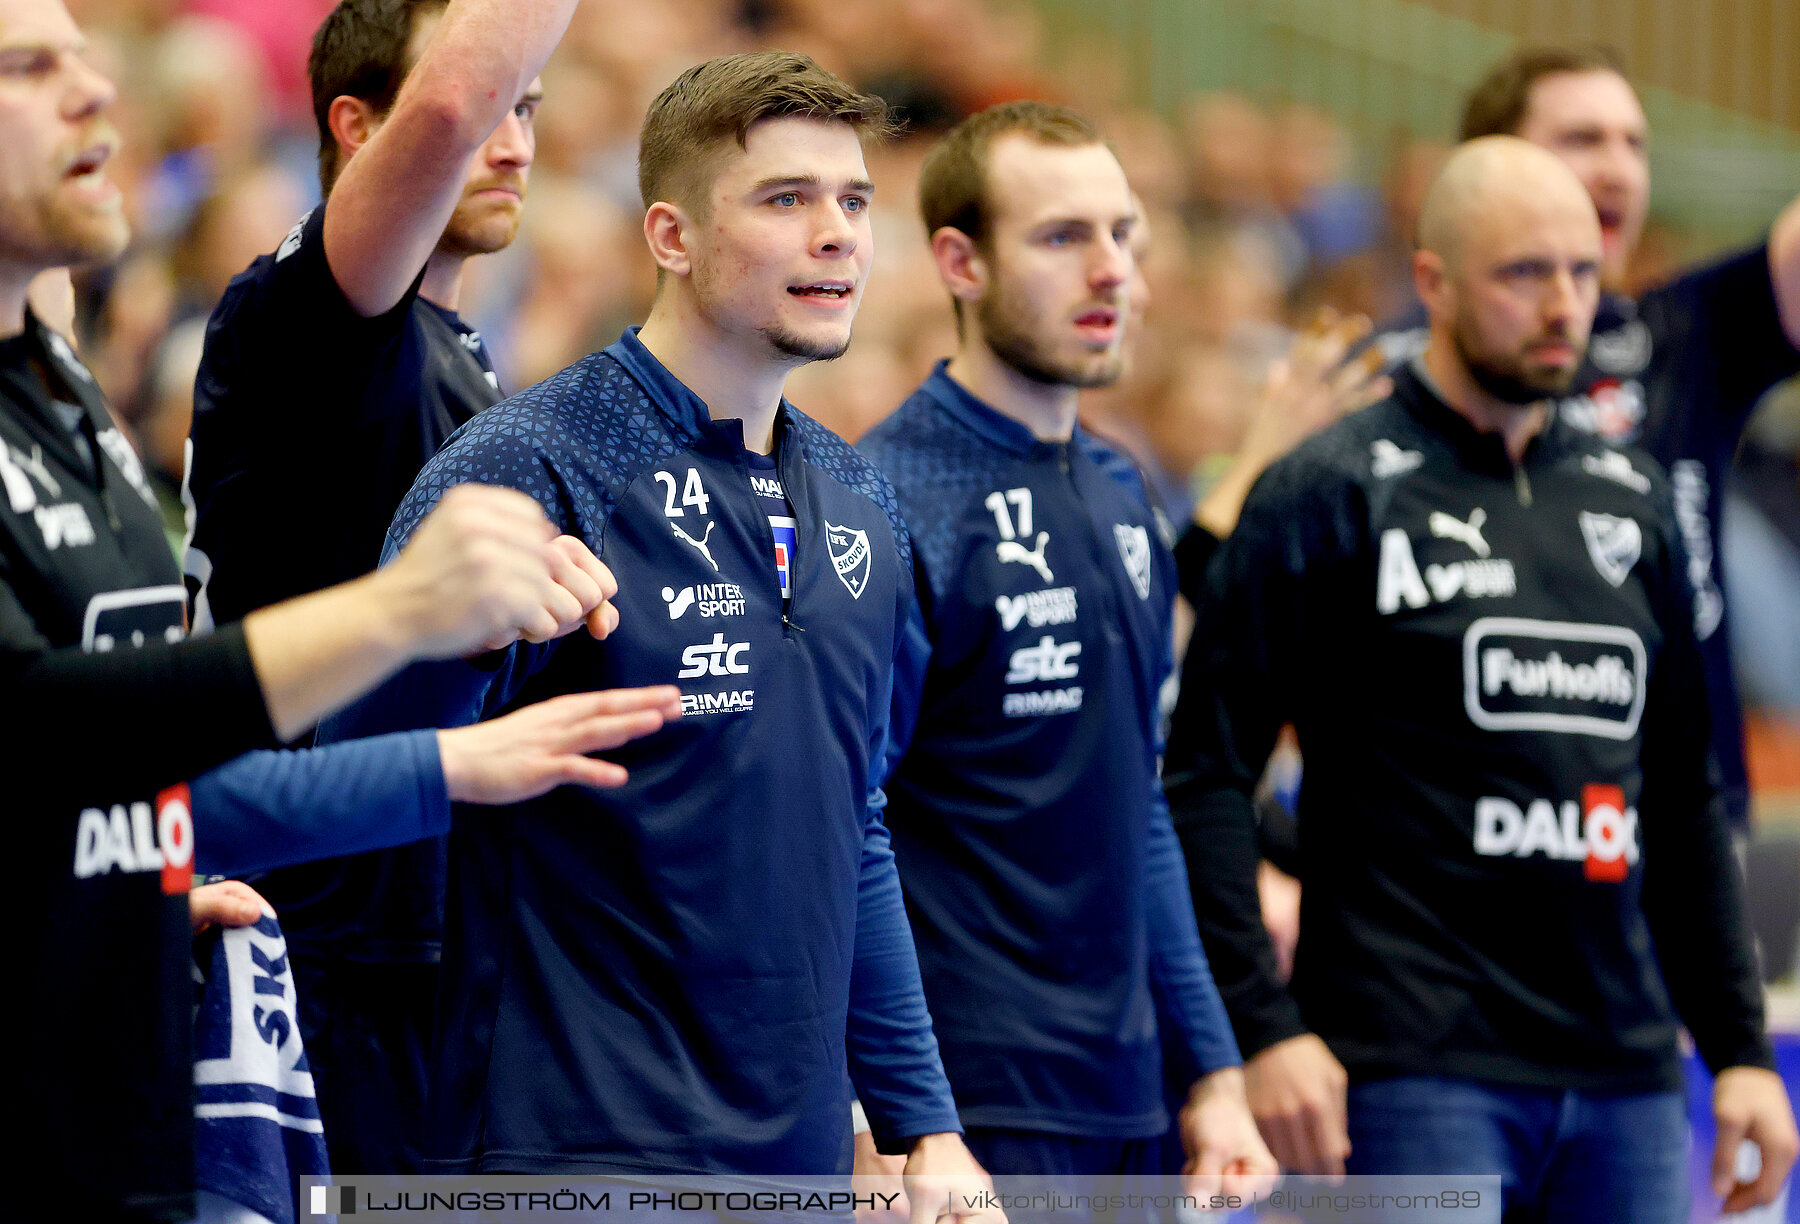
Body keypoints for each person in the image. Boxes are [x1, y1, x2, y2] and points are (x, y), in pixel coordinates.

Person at [318, 51, 998, 1206]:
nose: (837, 234)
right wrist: (464, 650)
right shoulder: (528, 466)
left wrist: (922, 1119)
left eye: (854, 201)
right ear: (672, 238)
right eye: (786, 200)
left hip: (792, 1158)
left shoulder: (860, 496)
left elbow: (856, 821)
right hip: (564, 1149)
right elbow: (354, 781)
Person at [1168, 136, 1799, 1219]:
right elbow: (1205, 778)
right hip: (1410, 1070)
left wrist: (1738, 1050)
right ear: (1434, 282)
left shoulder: (1633, 500)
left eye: (1582, 273)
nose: (1563, 303)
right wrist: (1265, 1030)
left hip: (1627, 1075)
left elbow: (1684, 799)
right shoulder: (1329, 490)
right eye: (1523, 273)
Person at [184, 0, 576, 1172]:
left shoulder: (461, 348)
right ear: (357, 128)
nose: (510, 143)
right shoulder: (308, 315)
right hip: (318, 927)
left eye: (532, 112)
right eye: (486, 117)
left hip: (427, 921)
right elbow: (450, 99)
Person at [855, 101, 1273, 1192]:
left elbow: (1139, 801)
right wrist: (889, 1106)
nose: (1111, 272)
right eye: (1061, 238)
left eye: (1123, 234)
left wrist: (1215, 1069)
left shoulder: (1124, 486)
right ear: (960, 262)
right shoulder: (885, 497)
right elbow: (844, 826)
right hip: (970, 1102)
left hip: (1131, 1093)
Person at [1377, 46, 1800, 834]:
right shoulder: (1391, 380)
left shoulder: (1680, 334)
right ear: (1489, 167)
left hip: (1679, 832)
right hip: (1462, 846)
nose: (1617, 170)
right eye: (1581, 139)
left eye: (1633, 144)